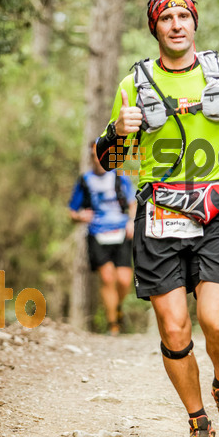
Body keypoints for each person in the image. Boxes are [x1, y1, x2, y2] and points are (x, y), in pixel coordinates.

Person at [95, 0, 219, 437]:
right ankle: (198, 423)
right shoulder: (134, 84)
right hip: (159, 216)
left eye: (182, 16)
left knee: (216, 320)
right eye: (165, 18)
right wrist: (117, 132)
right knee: (174, 330)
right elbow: (108, 159)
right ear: (155, 28)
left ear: (194, 23)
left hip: (214, 212)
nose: (175, 24)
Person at [69, 142, 136, 334]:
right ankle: (113, 324)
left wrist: (131, 221)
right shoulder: (84, 181)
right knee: (107, 277)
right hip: (97, 233)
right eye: (94, 156)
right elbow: (71, 211)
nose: (98, 159)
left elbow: (132, 203)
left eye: (101, 155)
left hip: (121, 231)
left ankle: (117, 309)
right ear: (91, 158)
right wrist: (80, 216)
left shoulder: (120, 177)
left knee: (123, 280)